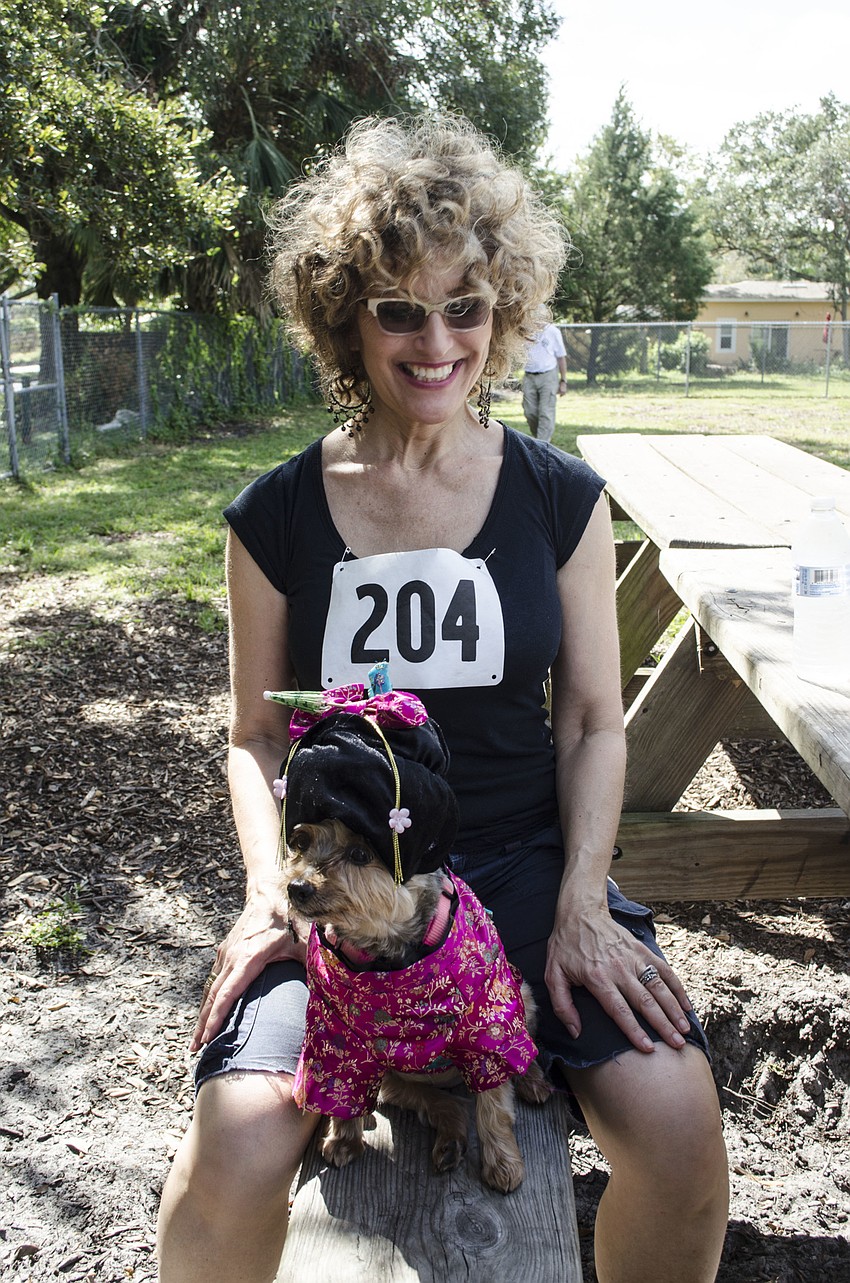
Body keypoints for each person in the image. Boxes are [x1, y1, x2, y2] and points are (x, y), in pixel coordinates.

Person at [156, 114, 728, 1283]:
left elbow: (590, 722)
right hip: (342, 881)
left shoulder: (560, 498)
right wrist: (268, 896)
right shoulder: (274, 515)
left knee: (676, 1123)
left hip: (521, 869)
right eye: (398, 310)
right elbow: (255, 737)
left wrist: (581, 903)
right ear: (345, 317)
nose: (435, 342)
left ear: (502, 311)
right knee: (241, 1136)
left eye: (463, 307)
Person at [522, 320, 567, 442]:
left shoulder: (553, 331)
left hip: (548, 375)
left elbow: (561, 357)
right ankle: (539, 440)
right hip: (529, 376)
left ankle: (542, 444)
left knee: (546, 412)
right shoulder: (524, 329)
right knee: (529, 412)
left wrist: (563, 381)